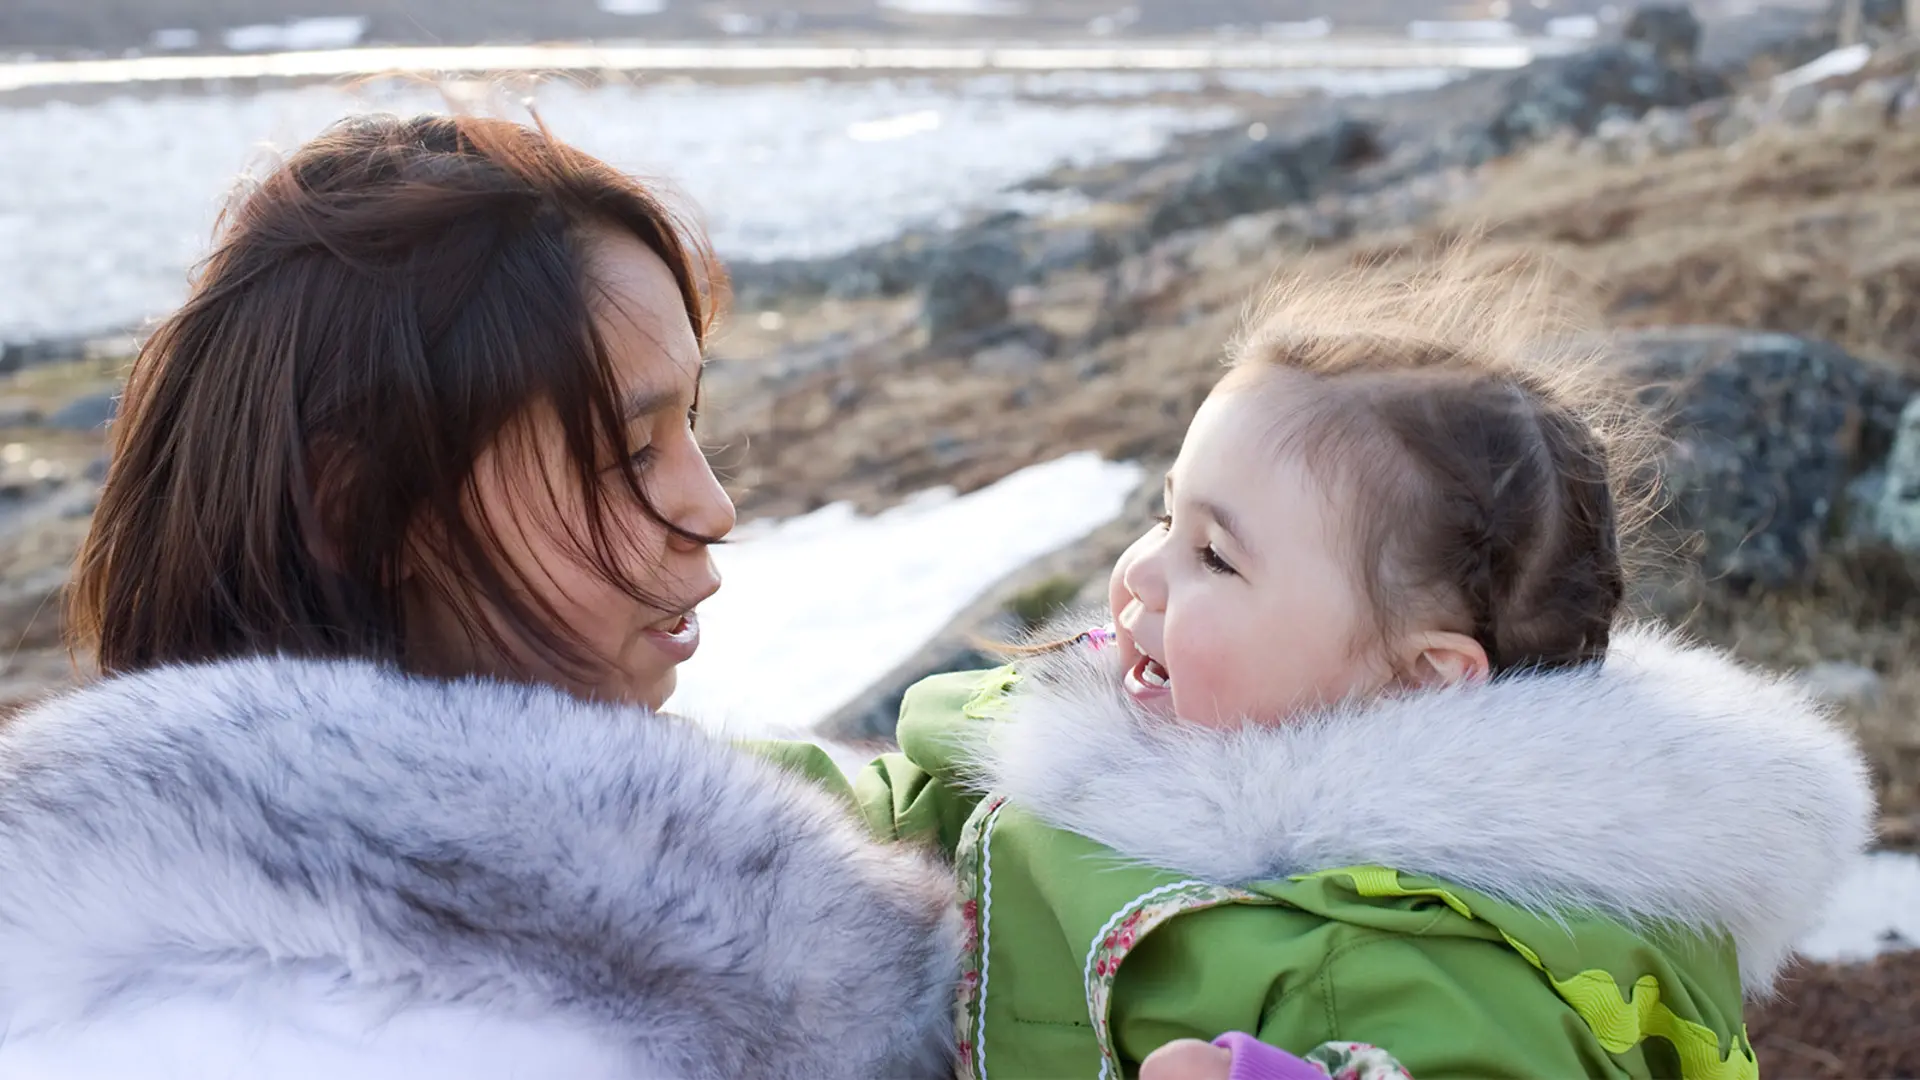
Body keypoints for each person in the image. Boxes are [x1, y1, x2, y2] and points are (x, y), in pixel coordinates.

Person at [0, 114, 960, 1079]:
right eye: (628, 453)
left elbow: (922, 803)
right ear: (366, 512)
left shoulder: (662, 848)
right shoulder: (333, 1038)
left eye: (692, 422)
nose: (712, 508)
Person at [836, 262, 1876, 1079]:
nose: (1141, 574)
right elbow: (877, 804)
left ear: (1422, 680)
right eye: (1163, 514)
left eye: (1215, 556)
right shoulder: (1097, 731)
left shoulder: (1426, 953)